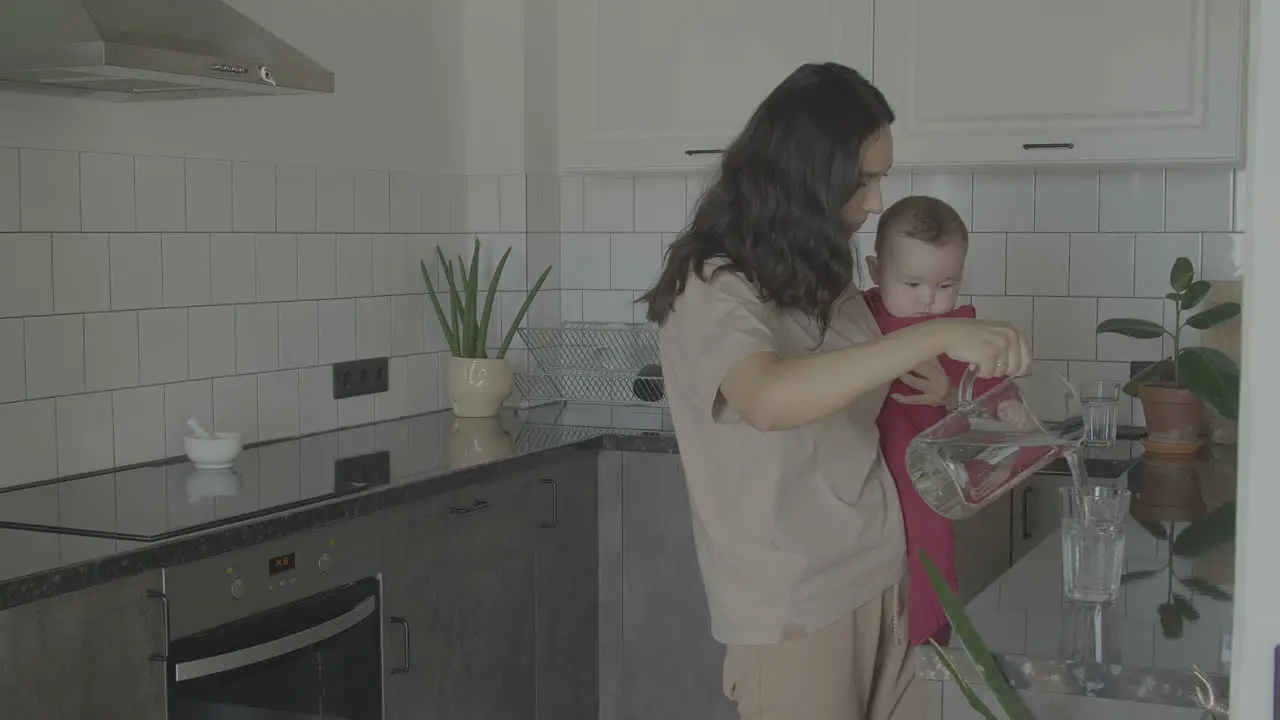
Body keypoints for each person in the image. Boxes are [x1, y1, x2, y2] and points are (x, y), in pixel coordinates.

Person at [638, 62, 1032, 720]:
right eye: (864, 180)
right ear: (808, 175)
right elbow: (767, 397)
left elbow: (883, 408)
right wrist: (931, 336)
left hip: (887, 580)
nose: (878, 201)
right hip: (797, 609)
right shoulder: (714, 284)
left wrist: (977, 403)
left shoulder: (822, 275)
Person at [864, 195, 1044, 649]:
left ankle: (929, 650)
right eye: (912, 283)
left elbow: (991, 392)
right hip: (863, 499)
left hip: (926, 495)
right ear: (874, 271)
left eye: (947, 284)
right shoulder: (858, 323)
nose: (930, 300)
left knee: (928, 584)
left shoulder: (962, 331)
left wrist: (996, 405)